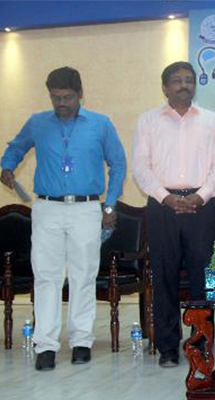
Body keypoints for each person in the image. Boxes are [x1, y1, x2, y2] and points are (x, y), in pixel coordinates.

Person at [0, 67, 127, 371]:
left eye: (67, 97)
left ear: (80, 94)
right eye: (55, 97)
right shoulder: (37, 122)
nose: (61, 103)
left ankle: (81, 341)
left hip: (86, 207)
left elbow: (118, 164)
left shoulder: (100, 124)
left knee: (83, 274)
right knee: (46, 276)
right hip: (47, 208)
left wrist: (110, 206)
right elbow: (15, 148)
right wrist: (7, 166)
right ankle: (45, 345)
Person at [132, 61, 215, 367]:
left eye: (188, 79)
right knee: (164, 277)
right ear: (165, 87)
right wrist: (166, 198)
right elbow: (141, 168)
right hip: (162, 208)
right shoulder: (148, 121)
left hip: (202, 206)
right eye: (176, 80)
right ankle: (168, 348)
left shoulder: (211, 120)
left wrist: (200, 196)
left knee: (203, 279)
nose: (184, 85)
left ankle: (201, 343)